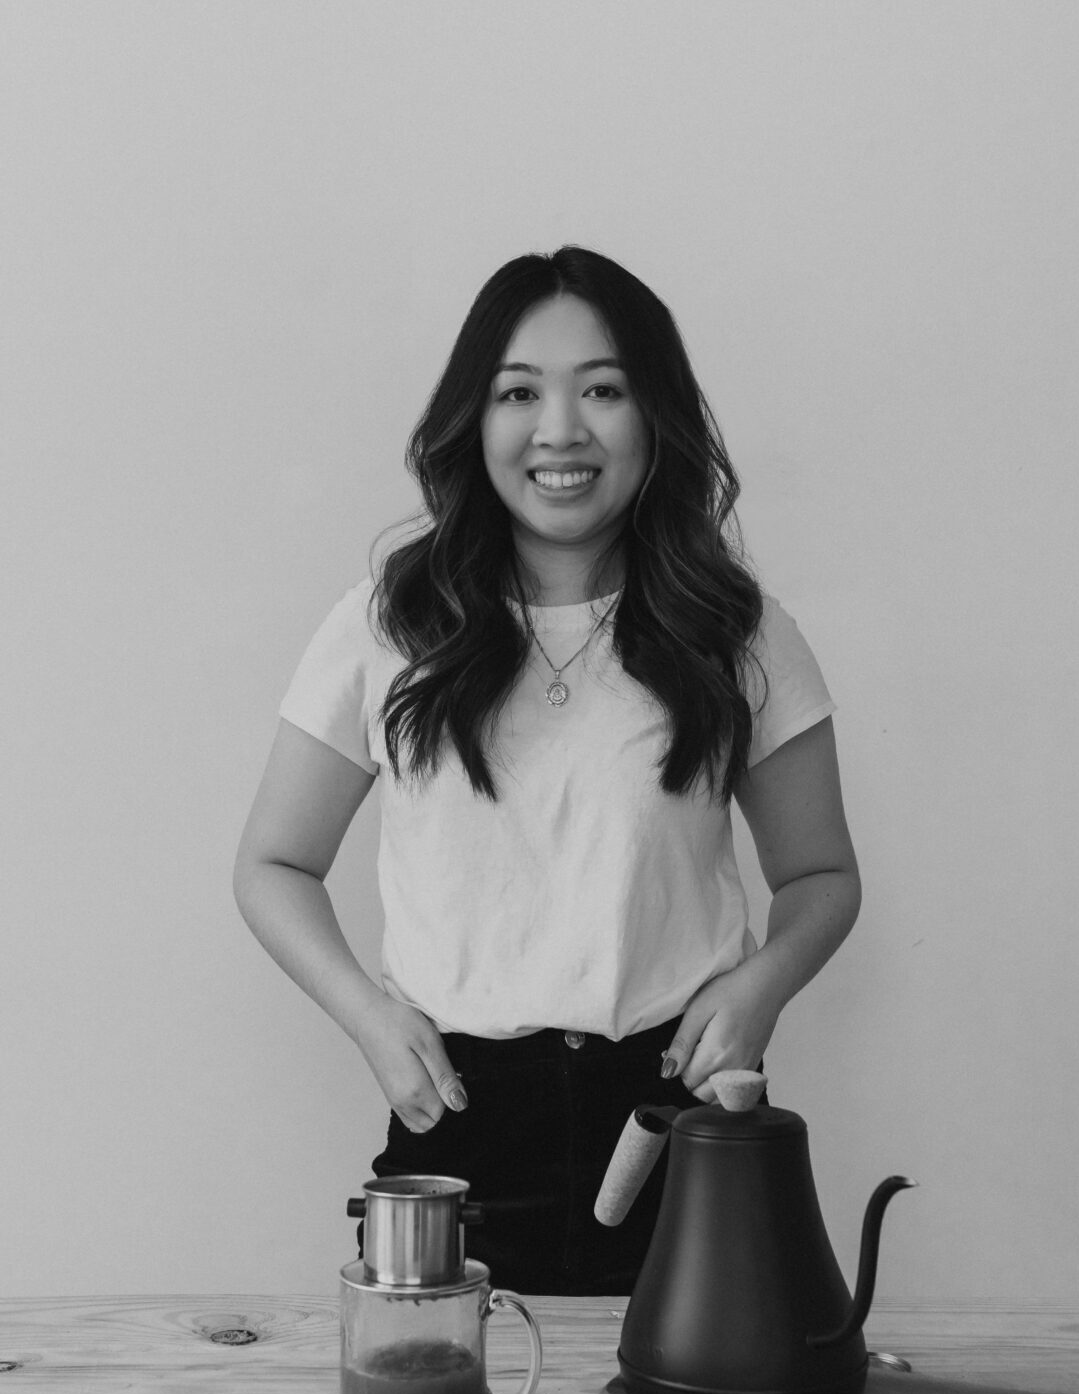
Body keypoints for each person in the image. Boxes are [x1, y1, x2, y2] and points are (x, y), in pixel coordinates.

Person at [233, 246, 861, 1294]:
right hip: (458, 1123)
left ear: (655, 414)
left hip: (677, 1113)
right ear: (472, 420)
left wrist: (764, 984)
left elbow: (823, 878)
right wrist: (370, 1018)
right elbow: (271, 862)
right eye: (518, 392)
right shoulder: (389, 624)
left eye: (603, 390)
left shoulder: (736, 630)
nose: (560, 430)